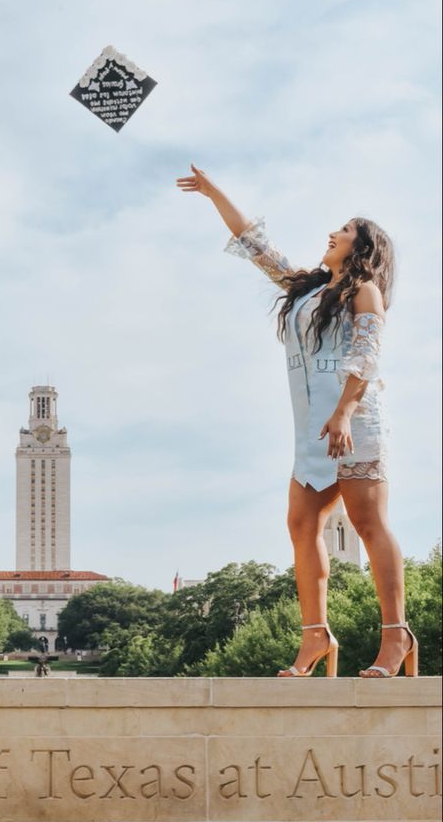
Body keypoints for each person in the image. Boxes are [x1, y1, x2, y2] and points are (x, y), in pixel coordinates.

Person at [176, 164, 417, 679]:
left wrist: (345, 412)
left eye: (346, 230)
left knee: (369, 524)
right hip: (312, 429)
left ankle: (396, 636)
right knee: (301, 524)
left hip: (355, 422)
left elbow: (366, 356)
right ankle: (316, 636)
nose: (333, 233)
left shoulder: (365, 292)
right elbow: (253, 242)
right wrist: (213, 190)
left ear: (363, 248)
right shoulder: (306, 289)